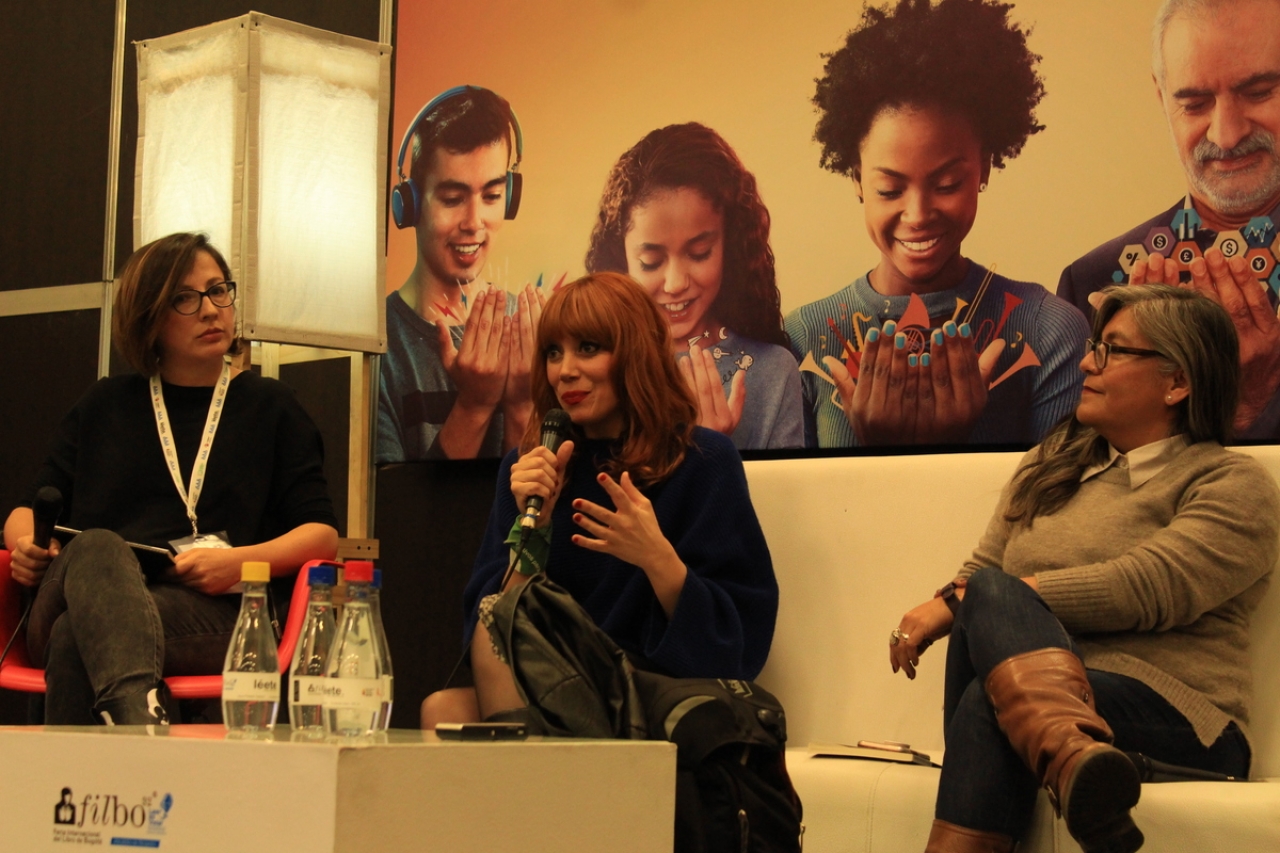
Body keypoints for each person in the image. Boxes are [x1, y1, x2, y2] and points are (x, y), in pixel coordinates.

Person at [889, 284, 1279, 853]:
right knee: (991, 668)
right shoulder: (1051, 464)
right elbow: (983, 566)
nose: (1087, 361)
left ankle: (1070, 757)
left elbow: (1146, 587)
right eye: (1094, 344)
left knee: (990, 678)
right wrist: (968, 595)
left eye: (1114, 350)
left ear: (1177, 382)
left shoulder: (1229, 483)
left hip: (1179, 717)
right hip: (1072, 716)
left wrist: (961, 601)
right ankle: (1076, 762)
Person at [3, 233, 339, 725]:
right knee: (97, 548)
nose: (210, 309)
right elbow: (27, 510)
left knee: (76, 636)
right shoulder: (104, 405)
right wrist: (25, 546)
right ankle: (143, 720)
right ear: (149, 317)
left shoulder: (272, 407)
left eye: (219, 290)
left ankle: (125, 728)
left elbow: (321, 535)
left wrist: (239, 565)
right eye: (185, 298)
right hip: (80, 591)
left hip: (213, 613)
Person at [420, 272, 779, 728]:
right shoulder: (532, 465)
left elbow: (736, 644)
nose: (564, 370)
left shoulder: (701, 460)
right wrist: (535, 532)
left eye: (587, 348)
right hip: (548, 685)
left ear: (635, 354)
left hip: (649, 690)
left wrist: (657, 557)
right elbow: (489, 636)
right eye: (553, 352)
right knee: (443, 710)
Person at [786, 0, 1089, 447]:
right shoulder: (803, 338)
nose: (918, 214)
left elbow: (1060, 512)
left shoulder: (1051, 331)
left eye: (946, 183)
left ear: (984, 169)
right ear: (856, 179)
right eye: (890, 189)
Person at [1058, 0, 1280, 439]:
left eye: (1259, 93)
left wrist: (1253, 401)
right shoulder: (1092, 283)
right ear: (1163, 99)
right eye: (1195, 103)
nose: (1227, 134)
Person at [586, 122, 805, 449]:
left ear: (730, 246)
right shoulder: (592, 368)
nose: (675, 284)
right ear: (622, 259)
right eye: (651, 262)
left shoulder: (773, 373)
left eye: (699, 254)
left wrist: (713, 451)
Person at [378, 85, 542, 462]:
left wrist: (522, 404)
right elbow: (405, 515)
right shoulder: (378, 349)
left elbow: (538, 512)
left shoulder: (536, 334)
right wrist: (474, 406)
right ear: (410, 204)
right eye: (452, 199)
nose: (473, 222)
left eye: (492, 196)